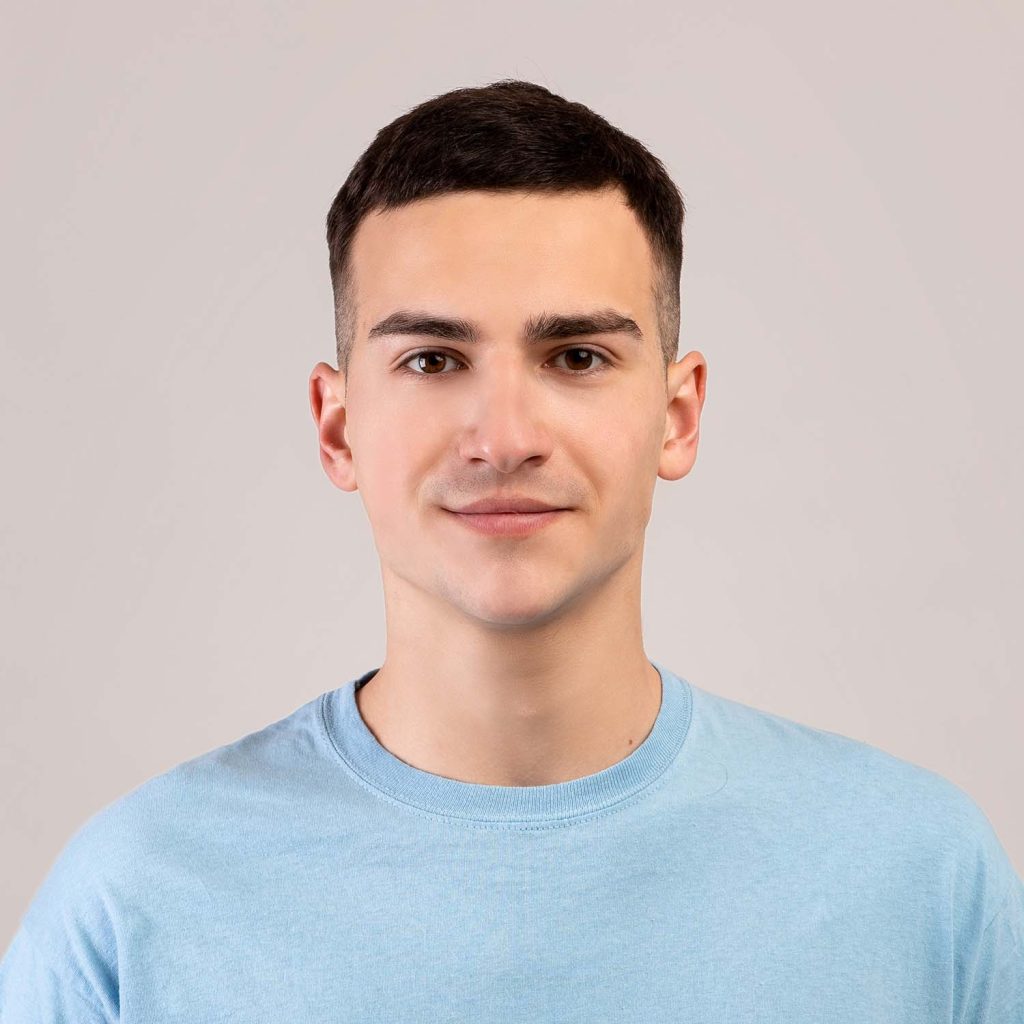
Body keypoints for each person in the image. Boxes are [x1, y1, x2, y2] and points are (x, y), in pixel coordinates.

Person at [1, 78, 1021, 1022]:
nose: (504, 438)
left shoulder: (917, 879)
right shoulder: (135, 902)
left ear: (677, 416)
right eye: (431, 360)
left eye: (575, 356)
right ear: (337, 427)